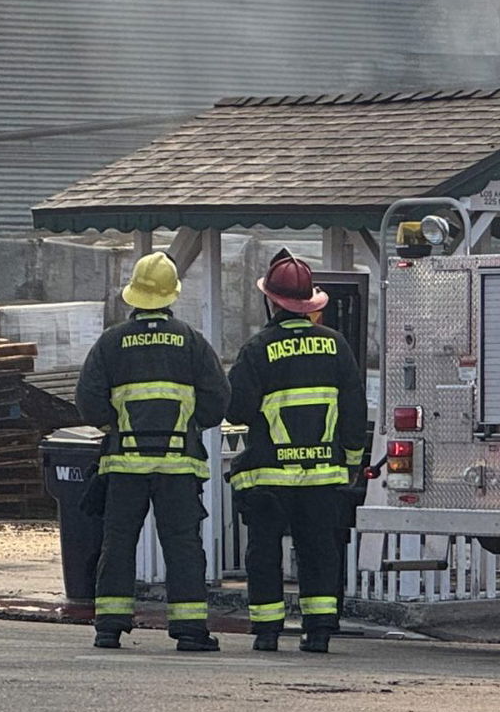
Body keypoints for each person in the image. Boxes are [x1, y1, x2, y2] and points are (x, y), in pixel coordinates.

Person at [76, 251, 230, 652]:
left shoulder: (111, 342)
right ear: (171, 295)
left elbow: (88, 400)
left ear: (134, 295)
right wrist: (190, 425)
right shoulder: (191, 341)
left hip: (124, 463)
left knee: (119, 540)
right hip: (179, 465)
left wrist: (117, 426)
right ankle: (190, 630)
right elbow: (217, 400)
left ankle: (109, 626)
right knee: (182, 543)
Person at [228, 252, 368, 653]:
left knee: (264, 551)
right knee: (319, 550)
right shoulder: (335, 345)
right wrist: (352, 460)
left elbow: (235, 409)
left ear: (271, 301)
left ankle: (268, 632)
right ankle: (319, 632)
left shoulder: (257, 349)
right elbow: (354, 410)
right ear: (310, 306)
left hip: (268, 476)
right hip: (323, 476)